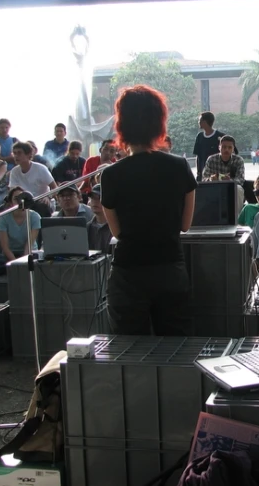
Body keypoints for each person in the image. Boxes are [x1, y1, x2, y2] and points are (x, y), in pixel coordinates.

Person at [100, 85, 196, 336]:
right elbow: (185, 225)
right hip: (170, 270)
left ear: (122, 125)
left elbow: (118, 232)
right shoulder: (179, 166)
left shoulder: (110, 174)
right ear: (158, 123)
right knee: (175, 350)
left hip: (128, 274)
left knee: (130, 354)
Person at [0, 187, 41, 273]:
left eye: (22, 198)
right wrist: (15, 263)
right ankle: (13, 268)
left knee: (37, 260)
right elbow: (5, 247)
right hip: (9, 256)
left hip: (29, 255)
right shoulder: (3, 218)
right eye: (16, 199)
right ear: (11, 202)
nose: (20, 201)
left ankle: (11, 269)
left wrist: (23, 262)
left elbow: (29, 245)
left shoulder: (35, 217)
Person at [8, 141, 56, 219]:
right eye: (14, 153)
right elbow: (12, 191)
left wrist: (48, 197)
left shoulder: (41, 169)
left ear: (29, 154)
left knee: (41, 207)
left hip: (41, 202)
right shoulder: (14, 171)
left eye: (19, 153)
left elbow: (55, 188)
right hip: (23, 203)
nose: (16, 156)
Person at [202, 135, 245, 214]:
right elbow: (204, 178)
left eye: (229, 147)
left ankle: (237, 217)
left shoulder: (238, 160)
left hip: (232, 187)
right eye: (224, 147)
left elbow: (241, 179)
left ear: (233, 149)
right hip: (214, 187)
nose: (226, 150)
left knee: (238, 189)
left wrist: (230, 181)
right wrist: (210, 179)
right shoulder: (211, 159)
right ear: (219, 147)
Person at [193, 111, 228, 180]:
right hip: (203, 174)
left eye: (200, 120)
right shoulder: (199, 137)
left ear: (205, 122)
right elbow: (198, 156)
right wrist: (198, 171)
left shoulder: (220, 136)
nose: (198, 122)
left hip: (219, 174)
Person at [85, 184, 113, 254]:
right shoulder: (87, 228)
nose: (95, 201)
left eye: (99, 198)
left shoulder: (116, 227)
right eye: (93, 198)